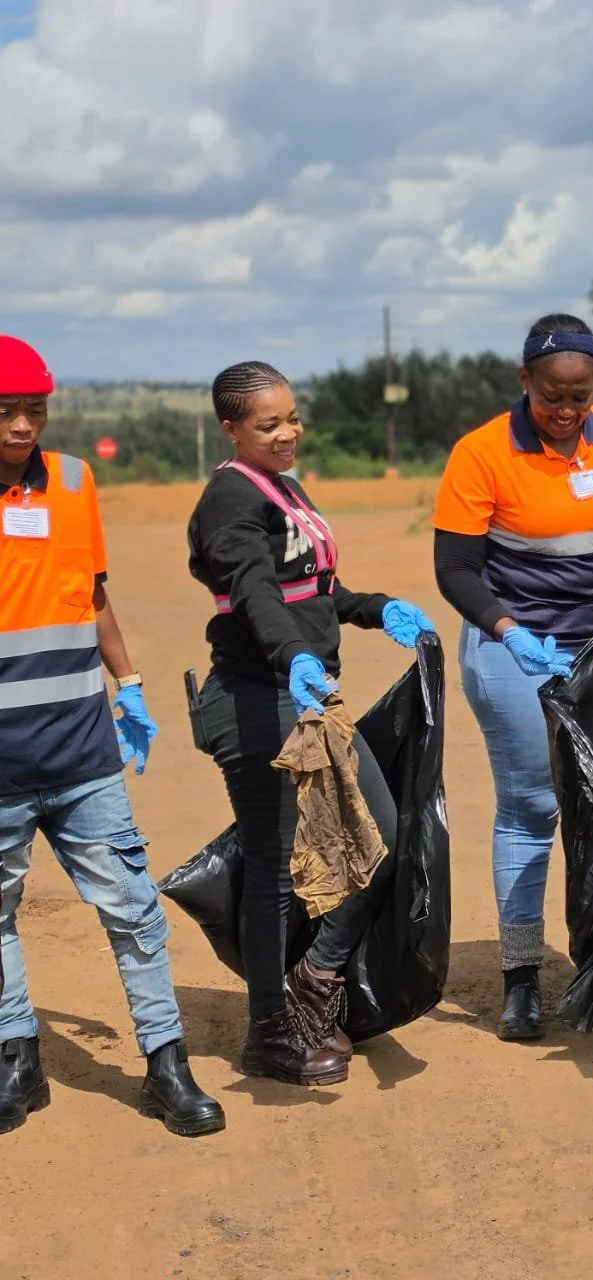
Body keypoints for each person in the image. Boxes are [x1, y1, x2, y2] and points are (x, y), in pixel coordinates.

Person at [433, 313, 593, 1046]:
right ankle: (521, 981)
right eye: (553, 395)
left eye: (580, 395)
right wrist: (511, 633)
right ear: (525, 382)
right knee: (533, 805)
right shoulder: (482, 452)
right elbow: (455, 568)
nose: (567, 411)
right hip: (515, 645)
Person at [188, 361, 435, 1086]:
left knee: (379, 837)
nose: (288, 432)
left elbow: (313, 589)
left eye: (293, 418)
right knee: (273, 870)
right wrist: (296, 655)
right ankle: (272, 1030)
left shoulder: (282, 488)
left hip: (305, 699)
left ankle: (315, 981)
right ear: (230, 428)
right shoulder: (229, 500)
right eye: (268, 424)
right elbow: (257, 591)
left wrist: (372, 608)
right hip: (257, 700)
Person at [0, 335, 224, 1137]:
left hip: (81, 751)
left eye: (35, 409)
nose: (23, 426)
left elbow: (90, 594)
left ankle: (167, 1067)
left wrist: (127, 686)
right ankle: (17, 1060)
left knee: (132, 909)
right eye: (5, 411)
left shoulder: (72, 481)